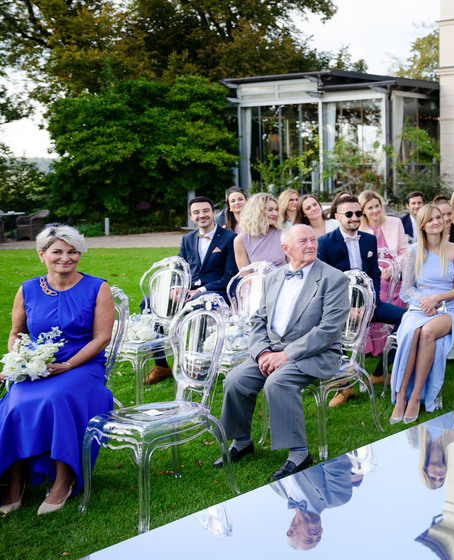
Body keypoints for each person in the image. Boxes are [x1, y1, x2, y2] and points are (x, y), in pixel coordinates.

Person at [217, 225, 349, 482]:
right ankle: (242, 441)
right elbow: (258, 320)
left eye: (313, 240)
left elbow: (327, 331)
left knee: (277, 383)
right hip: (272, 351)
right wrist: (262, 353)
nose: (311, 245)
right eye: (303, 241)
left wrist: (285, 355)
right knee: (235, 380)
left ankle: (299, 454)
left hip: (316, 353)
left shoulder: (333, 279)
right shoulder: (274, 277)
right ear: (285, 249)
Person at [0, 226, 115, 515]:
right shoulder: (27, 289)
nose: (66, 257)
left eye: (73, 251)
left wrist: (67, 365)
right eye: (58, 252)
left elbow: (102, 337)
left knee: (59, 397)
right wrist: (19, 362)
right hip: (37, 367)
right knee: (15, 401)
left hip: (82, 366)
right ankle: (16, 479)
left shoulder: (97, 287)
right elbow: (16, 333)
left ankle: (64, 478)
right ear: (42, 255)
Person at [317, 194, 405, 402]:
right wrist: (347, 307)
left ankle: (380, 371)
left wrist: (371, 302)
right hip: (340, 306)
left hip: (369, 302)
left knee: (407, 318)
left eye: (358, 213)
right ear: (338, 217)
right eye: (349, 214)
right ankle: (344, 386)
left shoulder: (369, 239)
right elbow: (324, 282)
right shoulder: (325, 243)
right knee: (333, 328)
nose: (355, 217)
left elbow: (374, 273)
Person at [144, 195, 240, 386]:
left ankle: (198, 364)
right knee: (148, 301)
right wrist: (176, 287)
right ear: (191, 216)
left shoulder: (230, 238)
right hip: (189, 291)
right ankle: (161, 364)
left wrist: (201, 290)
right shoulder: (187, 239)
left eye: (206, 211)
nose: (201, 215)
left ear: (214, 213)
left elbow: (230, 275)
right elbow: (180, 268)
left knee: (201, 302)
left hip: (216, 291)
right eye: (196, 212)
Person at [390, 204, 454, 424]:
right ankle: (401, 395)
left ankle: (416, 397)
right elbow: (407, 289)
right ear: (422, 225)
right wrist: (425, 302)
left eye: (439, 218)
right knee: (413, 331)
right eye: (431, 219)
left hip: (447, 308)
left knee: (427, 332)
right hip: (419, 306)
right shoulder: (414, 251)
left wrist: (436, 299)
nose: (436, 222)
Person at [357, 189, 410, 308]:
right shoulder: (359, 230)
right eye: (370, 208)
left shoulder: (396, 223)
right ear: (363, 211)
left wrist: (393, 268)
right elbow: (362, 258)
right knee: (382, 286)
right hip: (374, 276)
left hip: (397, 273)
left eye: (377, 206)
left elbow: (405, 251)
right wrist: (379, 270)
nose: (375, 210)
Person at [233, 192, 286, 268]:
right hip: (255, 279)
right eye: (270, 210)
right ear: (257, 212)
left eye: (276, 210)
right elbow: (245, 275)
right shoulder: (240, 240)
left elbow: (292, 267)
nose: (275, 213)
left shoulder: (283, 234)